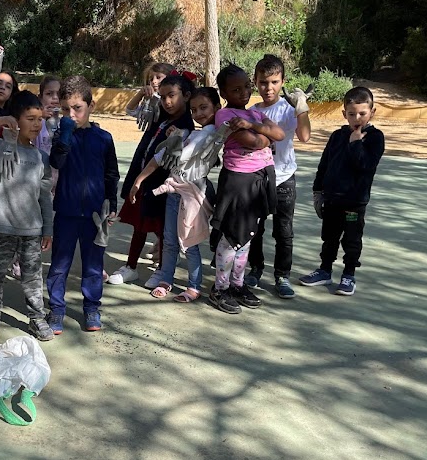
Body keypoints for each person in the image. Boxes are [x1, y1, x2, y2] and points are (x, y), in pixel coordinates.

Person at [0, 91, 54, 340]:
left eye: (40, 119)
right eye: (30, 119)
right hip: (0, 228)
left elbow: (45, 197)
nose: (37, 125)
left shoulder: (41, 158)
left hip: (31, 232)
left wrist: (48, 229)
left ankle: (37, 318)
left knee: (33, 278)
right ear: (15, 120)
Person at [130, 86, 227, 302]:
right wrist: (139, 178)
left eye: (203, 108)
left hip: (191, 196)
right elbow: (164, 155)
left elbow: (179, 156)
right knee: (170, 240)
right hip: (174, 193)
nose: (198, 113)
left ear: (216, 107)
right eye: (194, 110)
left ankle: (194, 286)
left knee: (189, 243)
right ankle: (166, 279)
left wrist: (177, 139)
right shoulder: (194, 133)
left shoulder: (212, 134)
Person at [209, 65, 285, 314]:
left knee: (247, 237)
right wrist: (265, 135)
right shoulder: (224, 115)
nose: (244, 93)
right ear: (223, 93)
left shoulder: (253, 113)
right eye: (236, 89)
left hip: (260, 179)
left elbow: (279, 134)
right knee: (231, 237)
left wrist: (256, 126)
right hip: (239, 181)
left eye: (246, 87)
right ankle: (220, 288)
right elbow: (253, 143)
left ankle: (237, 284)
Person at [46, 76, 119, 334]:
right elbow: (56, 162)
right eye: (66, 109)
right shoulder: (61, 137)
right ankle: (56, 309)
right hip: (66, 212)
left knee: (93, 265)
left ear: (91, 106)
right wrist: (65, 133)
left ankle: (92, 307)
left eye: (77, 108)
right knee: (59, 265)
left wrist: (111, 204)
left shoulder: (104, 138)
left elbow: (111, 174)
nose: (72, 114)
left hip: (95, 215)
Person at [108, 71, 194, 287]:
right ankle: (130, 267)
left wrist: (139, 179)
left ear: (186, 96)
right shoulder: (162, 116)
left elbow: (162, 158)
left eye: (172, 95)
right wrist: (144, 94)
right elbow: (132, 109)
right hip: (145, 180)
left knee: (163, 229)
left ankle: (162, 270)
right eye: (163, 97)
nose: (167, 101)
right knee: (139, 225)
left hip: (162, 186)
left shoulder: (184, 126)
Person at [299, 86, 385, 296]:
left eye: (362, 113)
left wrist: (356, 144)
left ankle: (348, 275)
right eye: (352, 114)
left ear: (372, 112)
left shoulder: (375, 138)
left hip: (354, 202)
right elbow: (324, 164)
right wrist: (318, 191)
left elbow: (365, 165)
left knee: (352, 240)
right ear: (344, 113)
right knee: (329, 237)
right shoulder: (337, 136)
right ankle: (325, 270)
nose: (357, 118)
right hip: (332, 199)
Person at [245, 55, 312, 298]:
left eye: (274, 82)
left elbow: (305, 136)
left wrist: (301, 105)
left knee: (284, 231)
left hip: (284, 178)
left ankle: (282, 275)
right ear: (255, 82)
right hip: (258, 177)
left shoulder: (288, 109)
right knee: (255, 229)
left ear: (283, 81)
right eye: (263, 82)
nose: (268, 88)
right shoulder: (252, 112)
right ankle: (255, 269)